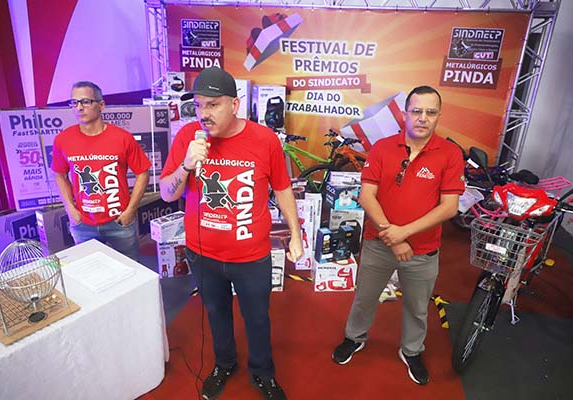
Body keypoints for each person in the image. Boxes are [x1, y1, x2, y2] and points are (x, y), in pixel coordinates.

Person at [159, 67, 303, 400]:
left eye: (213, 105)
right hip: (203, 254)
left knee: (257, 318)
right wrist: (186, 165)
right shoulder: (188, 137)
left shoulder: (264, 139)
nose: (203, 113)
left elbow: (283, 189)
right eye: (198, 105)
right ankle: (224, 364)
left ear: (234, 105)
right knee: (216, 314)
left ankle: (263, 373)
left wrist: (295, 234)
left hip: (251, 255)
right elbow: (167, 193)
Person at [331, 86, 464, 385]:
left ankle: (412, 350)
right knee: (365, 298)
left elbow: (449, 207)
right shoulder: (382, 148)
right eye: (416, 111)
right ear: (405, 114)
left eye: (430, 112)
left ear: (439, 116)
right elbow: (366, 196)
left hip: (423, 250)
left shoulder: (450, 153)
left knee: (417, 308)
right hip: (379, 244)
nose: (422, 118)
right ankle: (354, 337)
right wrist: (394, 238)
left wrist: (404, 233)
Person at [51, 81, 151, 261]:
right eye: (74, 102)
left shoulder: (122, 138)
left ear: (101, 105)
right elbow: (60, 175)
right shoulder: (63, 140)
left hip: (119, 221)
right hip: (83, 223)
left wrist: (130, 210)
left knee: (130, 268)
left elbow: (143, 173)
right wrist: (70, 209)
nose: (79, 108)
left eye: (85, 102)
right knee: (89, 270)